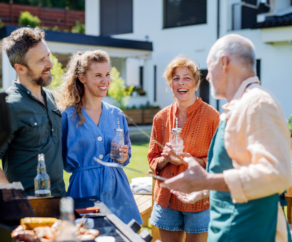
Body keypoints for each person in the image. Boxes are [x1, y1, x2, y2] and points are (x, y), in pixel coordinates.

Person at [162, 34, 292, 242]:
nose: (207, 77)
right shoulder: (238, 106)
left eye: (209, 66)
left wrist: (208, 180)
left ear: (224, 62)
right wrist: (205, 189)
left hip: (249, 232)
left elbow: (278, 174)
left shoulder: (258, 103)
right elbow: (239, 169)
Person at [59, 50, 142, 225]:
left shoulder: (117, 115)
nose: (105, 81)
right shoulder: (68, 116)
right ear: (82, 78)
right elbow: (60, 160)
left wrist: (124, 156)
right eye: (98, 75)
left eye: (107, 74)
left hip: (117, 189)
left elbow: (125, 159)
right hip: (84, 190)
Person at [0, 27, 66, 197]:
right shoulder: (8, 105)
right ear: (20, 68)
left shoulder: (50, 97)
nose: (50, 64)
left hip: (60, 200)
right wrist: (14, 199)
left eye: (48, 56)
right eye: (41, 61)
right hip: (29, 207)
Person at [148, 56, 220, 242]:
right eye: (176, 78)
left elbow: (218, 163)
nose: (181, 83)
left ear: (196, 84)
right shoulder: (160, 118)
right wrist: (164, 158)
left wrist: (189, 160)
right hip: (167, 199)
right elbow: (152, 159)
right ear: (170, 84)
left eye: (187, 77)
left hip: (199, 200)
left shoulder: (213, 118)